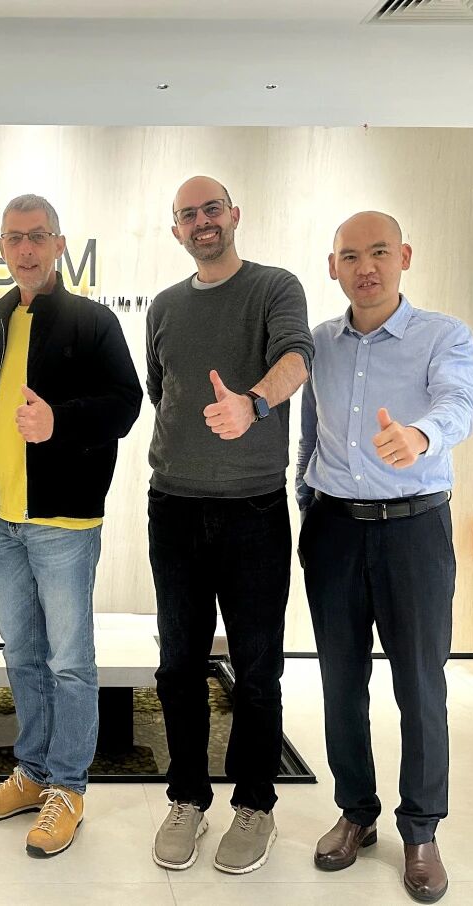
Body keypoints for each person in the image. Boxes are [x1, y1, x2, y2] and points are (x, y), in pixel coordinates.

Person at [296, 211, 473, 903]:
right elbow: (309, 438)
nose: (365, 267)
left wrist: (421, 437)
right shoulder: (318, 344)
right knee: (340, 682)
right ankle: (356, 812)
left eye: (378, 252)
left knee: (420, 686)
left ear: (404, 255)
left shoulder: (442, 335)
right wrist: (309, 504)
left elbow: (459, 403)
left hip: (414, 532)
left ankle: (421, 831)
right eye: (350, 256)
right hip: (334, 532)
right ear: (333, 267)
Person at [0, 194, 142, 858]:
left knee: (69, 662)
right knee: (22, 654)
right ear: (3, 249)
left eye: (38, 236)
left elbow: (126, 404)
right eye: (14, 238)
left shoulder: (92, 322)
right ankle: (32, 774)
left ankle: (68, 787)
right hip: (3, 522)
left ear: (60, 245)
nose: (26, 248)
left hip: (64, 521)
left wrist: (59, 421)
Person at [146, 176, 313, 874]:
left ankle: (255, 804)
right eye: (188, 215)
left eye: (211, 209)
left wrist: (253, 403)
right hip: (173, 507)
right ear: (176, 230)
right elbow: (161, 391)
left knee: (258, 667)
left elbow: (297, 358)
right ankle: (187, 797)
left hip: (253, 510)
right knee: (179, 666)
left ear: (234, 214)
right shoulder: (163, 306)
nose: (202, 221)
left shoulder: (275, 287)